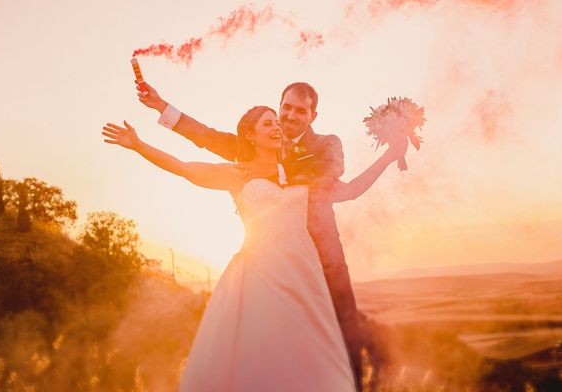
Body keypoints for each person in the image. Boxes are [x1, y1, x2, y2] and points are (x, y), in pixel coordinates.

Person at [101, 106, 405, 391]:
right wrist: (138, 145)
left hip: (305, 275)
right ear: (250, 135)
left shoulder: (305, 174)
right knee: (261, 354)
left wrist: (390, 155)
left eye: (277, 122)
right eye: (268, 123)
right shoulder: (238, 174)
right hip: (260, 274)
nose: (277, 127)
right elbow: (183, 168)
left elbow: (351, 190)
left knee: (312, 356)